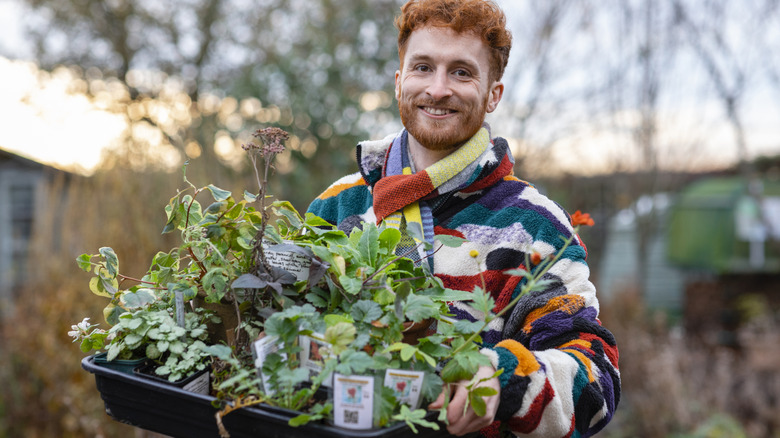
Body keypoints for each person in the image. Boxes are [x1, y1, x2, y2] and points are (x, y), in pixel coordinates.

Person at [307, 0, 620, 436]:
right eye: (422, 67)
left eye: (461, 72)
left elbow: (596, 382)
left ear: (494, 94)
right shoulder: (336, 206)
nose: (437, 89)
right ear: (399, 82)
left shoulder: (533, 226)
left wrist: (502, 380)